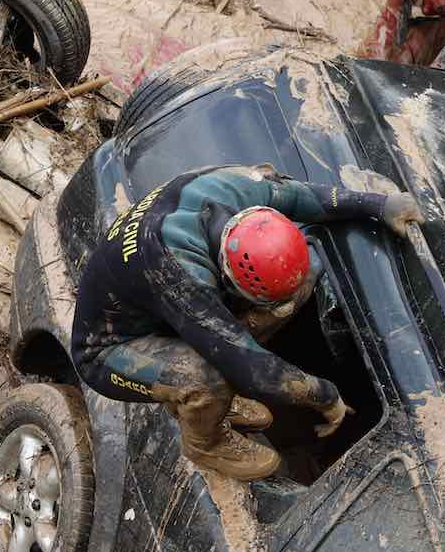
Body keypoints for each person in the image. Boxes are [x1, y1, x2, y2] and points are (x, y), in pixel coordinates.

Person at [70, 164, 423, 481]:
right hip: (109, 348)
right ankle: (207, 442)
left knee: (295, 288)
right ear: (227, 274)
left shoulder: (237, 189)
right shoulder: (180, 274)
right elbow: (253, 370)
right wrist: (325, 396)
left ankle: (217, 391)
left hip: (153, 302)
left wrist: (377, 206)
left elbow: (301, 196)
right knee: (208, 380)